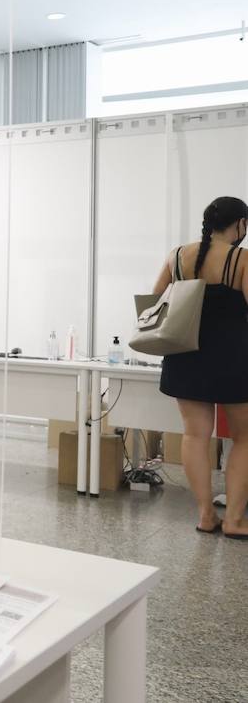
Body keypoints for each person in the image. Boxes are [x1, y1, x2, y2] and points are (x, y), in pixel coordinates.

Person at [154, 196, 248, 538]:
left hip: (185, 356)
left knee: (195, 435)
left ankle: (206, 515)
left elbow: (154, 303)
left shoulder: (177, 256)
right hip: (234, 358)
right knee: (245, 438)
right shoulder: (241, 259)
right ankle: (236, 521)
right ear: (240, 224)